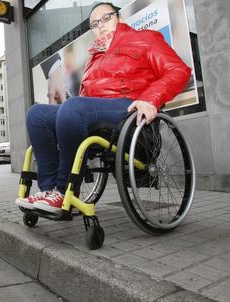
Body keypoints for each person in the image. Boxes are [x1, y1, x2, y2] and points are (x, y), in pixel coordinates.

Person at [15, 2, 191, 213]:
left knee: (73, 108)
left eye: (106, 18)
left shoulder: (145, 39)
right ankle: (48, 189)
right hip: (95, 112)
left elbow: (178, 70)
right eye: (94, 23)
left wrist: (150, 98)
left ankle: (63, 191)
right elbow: (85, 100)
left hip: (128, 107)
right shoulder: (94, 58)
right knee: (37, 114)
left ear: (120, 18)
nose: (100, 25)